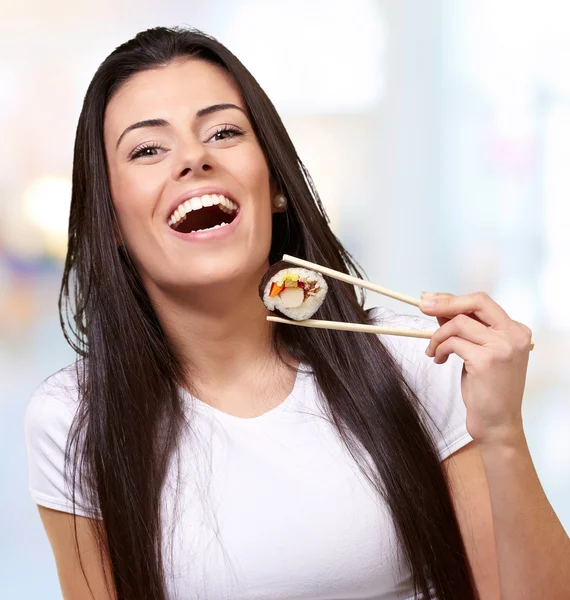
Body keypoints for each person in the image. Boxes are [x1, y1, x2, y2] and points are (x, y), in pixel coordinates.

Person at [24, 26, 569, 600]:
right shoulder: (73, 420)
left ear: (276, 186)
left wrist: (503, 434)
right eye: (147, 150)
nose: (193, 158)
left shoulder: (414, 363)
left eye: (224, 131)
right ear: (111, 220)